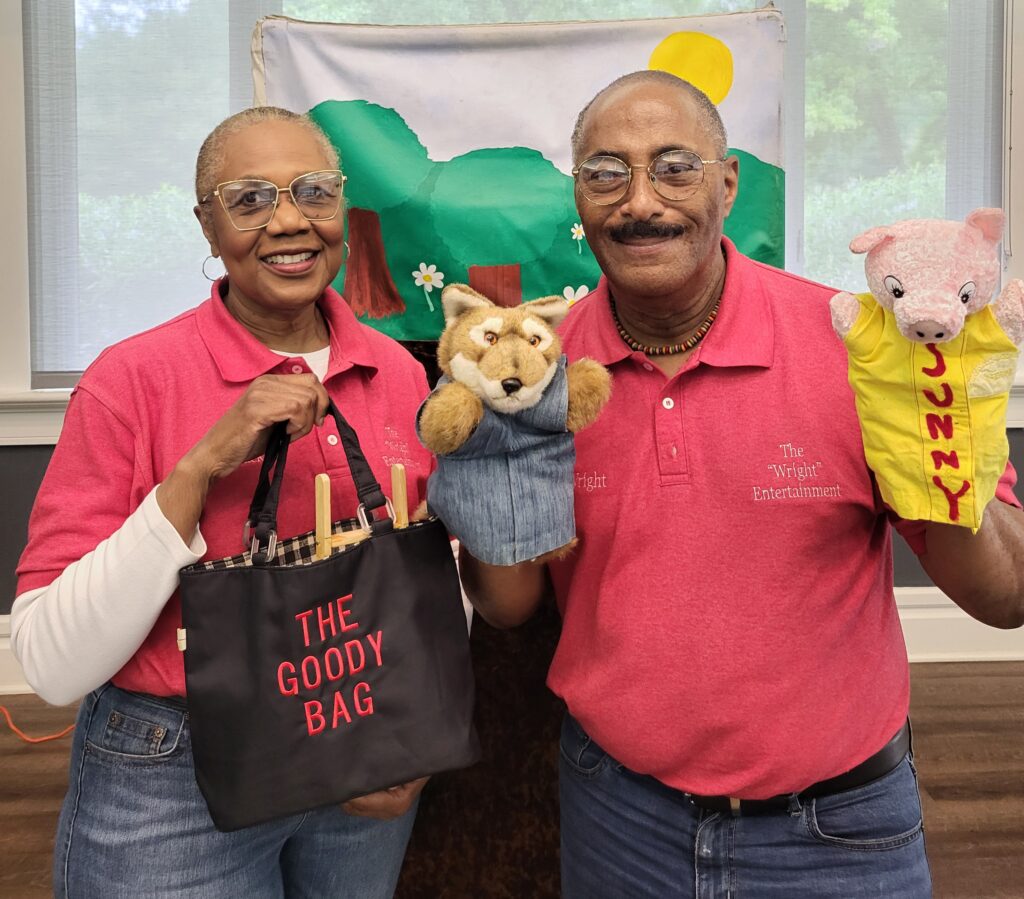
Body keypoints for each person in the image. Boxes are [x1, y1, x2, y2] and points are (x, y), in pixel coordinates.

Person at [458, 70, 1024, 898]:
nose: (640, 200)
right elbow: (508, 607)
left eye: (676, 167)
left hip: (838, 829)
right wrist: (482, 465)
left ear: (727, 183)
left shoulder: (860, 348)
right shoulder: (533, 372)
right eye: (606, 172)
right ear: (577, 196)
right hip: (620, 818)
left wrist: (943, 445)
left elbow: (1005, 598)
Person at [12, 106, 433, 898]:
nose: (287, 221)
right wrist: (202, 464)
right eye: (248, 199)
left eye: (313, 191)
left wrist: (396, 731)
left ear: (342, 208)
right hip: (174, 772)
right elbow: (50, 664)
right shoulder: (128, 381)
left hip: (357, 752)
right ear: (207, 228)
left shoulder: (400, 375)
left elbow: (415, 579)